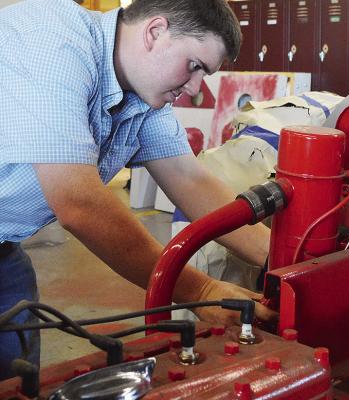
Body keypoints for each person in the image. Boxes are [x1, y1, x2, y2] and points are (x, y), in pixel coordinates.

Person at [0, 0, 272, 379]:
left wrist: (283, 261)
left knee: (16, 380)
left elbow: (190, 179)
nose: (195, 88)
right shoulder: (54, 42)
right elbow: (78, 203)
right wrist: (202, 290)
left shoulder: (143, 98)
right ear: (155, 31)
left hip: (4, 253)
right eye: (194, 66)